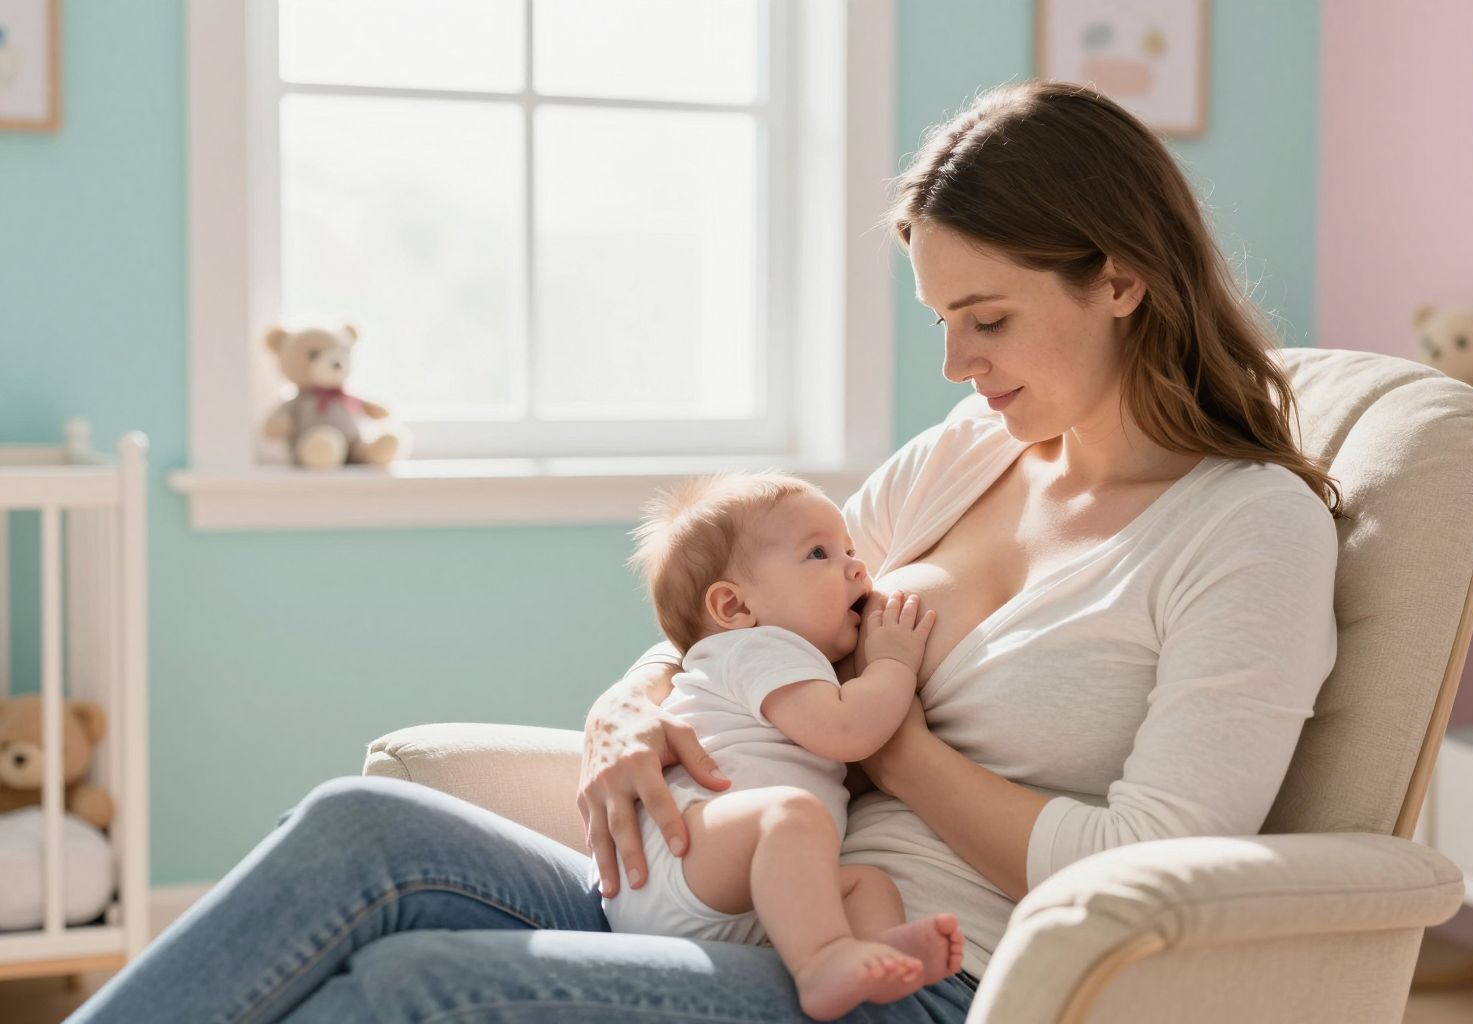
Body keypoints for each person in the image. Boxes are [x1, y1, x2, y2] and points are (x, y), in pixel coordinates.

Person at [67, 80, 1341, 1024]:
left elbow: (1147, 861)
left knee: (417, 987)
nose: (957, 364)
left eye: (988, 319)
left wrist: (892, 741)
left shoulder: (1245, 527)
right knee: (361, 828)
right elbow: (746, 612)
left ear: (1119, 278)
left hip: (926, 974)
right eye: (940, 323)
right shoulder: (971, 453)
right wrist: (630, 707)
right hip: (739, 895)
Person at [601, 471, 961, 1020]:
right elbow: (848, 731)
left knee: (865, 884)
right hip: (682, 856)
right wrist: (892, 662)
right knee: (792, 814)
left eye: (849, 550)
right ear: (733, 608)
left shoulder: (763, 654)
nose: (857, 567)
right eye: (819, 554)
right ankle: (823, 961)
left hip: (733, 888)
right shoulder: (758, 648)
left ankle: (880, 956)